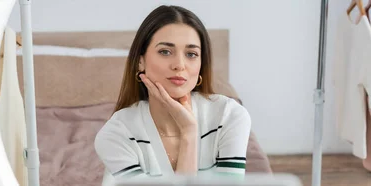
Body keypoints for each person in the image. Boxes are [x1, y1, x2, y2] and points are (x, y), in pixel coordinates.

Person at [94, 5, 252, 180]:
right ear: (140, 62)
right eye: (165, 51)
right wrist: (189, 133)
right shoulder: (116, 134)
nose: (179, 65)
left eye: (191, 54)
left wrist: (189, 131)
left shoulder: (229, 116)